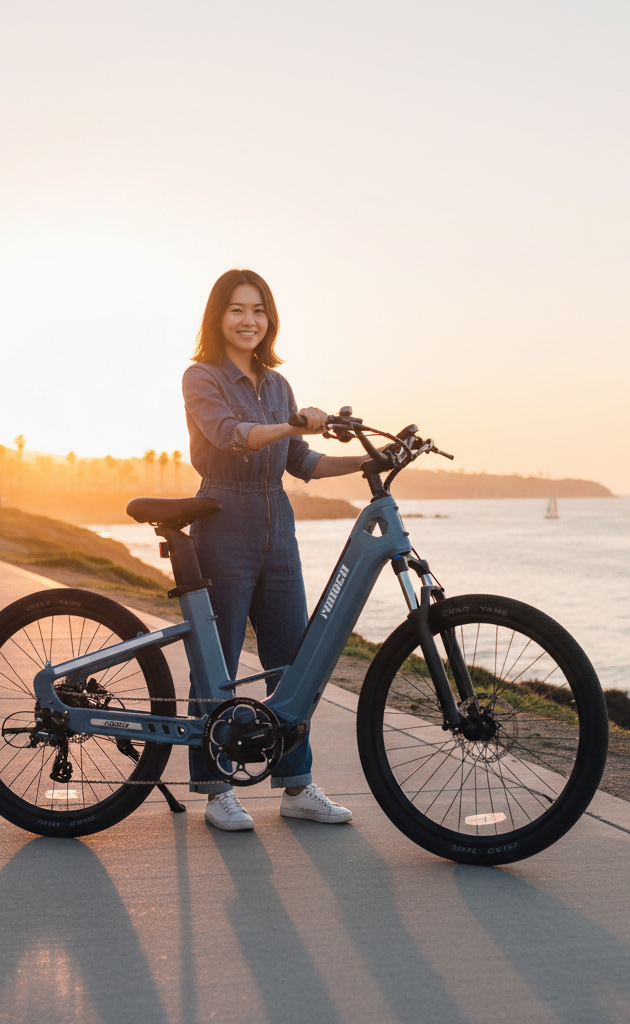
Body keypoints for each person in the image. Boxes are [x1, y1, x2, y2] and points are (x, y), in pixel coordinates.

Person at [182, 269, 369, 831]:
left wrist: (365, 462)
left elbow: (303, 463)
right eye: (237, 309)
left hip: (277, 527)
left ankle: (296, 785)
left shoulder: (277, 384)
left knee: (292, 664)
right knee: (216, 667)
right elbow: (231, 435)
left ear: (270, 319)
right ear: (219, 317)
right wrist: (290, 426)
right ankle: (217, 791)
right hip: (222, 521)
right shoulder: (201, 377)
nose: (249, 321)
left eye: (259, 310)